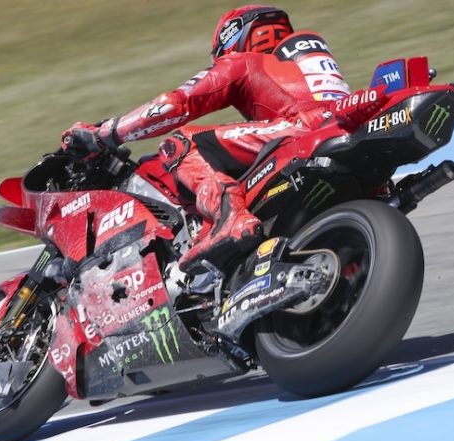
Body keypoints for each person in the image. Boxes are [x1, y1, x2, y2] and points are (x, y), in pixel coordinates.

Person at [62, 5, 353, 274]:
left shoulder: (244, 61)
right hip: (339, 131)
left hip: (298, 130)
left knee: (181, 143)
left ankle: (230, 219)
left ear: (235, 38)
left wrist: (104, 135)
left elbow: (173, 105)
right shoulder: (301, 66)